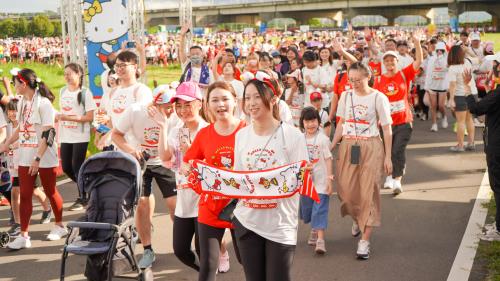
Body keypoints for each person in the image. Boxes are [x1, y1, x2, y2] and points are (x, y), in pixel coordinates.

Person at [232, 74, 308, 281]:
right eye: (247, 98)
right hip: (247, 221)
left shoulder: (293, 136)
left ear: (273, 99)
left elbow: (300, 180)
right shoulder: (241, 136)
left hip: (280, 224)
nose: (251, 103)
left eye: (257, 97)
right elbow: (238, 178)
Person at [183, 81, 245, 281]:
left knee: (248, 261)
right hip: (211, 206)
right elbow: (187, 163)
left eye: (225, 99)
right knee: (208, 265)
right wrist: (190, 171)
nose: (220, 105)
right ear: (207, 105)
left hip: (242, 208)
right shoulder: (204, 134)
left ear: (235, 101)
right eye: (215, 100)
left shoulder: (248, 130)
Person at [112, 86, 179, 269]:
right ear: (154, 104)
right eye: (167, 106)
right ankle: (148, 249)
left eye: (174, 106)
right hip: (141, 161)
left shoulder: (175, 116)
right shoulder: (135, 111)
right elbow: (116, 134)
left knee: (175, 205)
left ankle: (183, 245)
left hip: (165, 161)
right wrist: (131, 150)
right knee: (141, 203)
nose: (172, 110)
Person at [332, 62, 393, 260]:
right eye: (351, 80)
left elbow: (386, 129)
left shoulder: (378, 97)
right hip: (349, 145)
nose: (354, 83)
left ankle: (364, 241)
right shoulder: (346, 96)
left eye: (358, 80)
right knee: (347, 192)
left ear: (369, 77)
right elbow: (341, 123)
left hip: (371, 147)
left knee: (369, 192)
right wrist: (332, 145)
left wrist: (388, 157)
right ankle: (357, 216)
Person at [0, 68, 65, 249]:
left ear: (24, 83)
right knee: (25, 194)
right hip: (25, 155)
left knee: (50, 190)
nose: (14, 86)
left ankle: (59, 225)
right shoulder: (21, 103)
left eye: (15, 83)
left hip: (44, 156)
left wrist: (37, 158)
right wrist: (5, 144)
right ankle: (24, 236)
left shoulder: (44, 104)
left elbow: (48, 134)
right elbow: (21, 128)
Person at [158, 81, 208, 271]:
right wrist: (163, 126)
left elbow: (213, 167)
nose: (183, 110)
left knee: (203, 250)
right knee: (180, 249)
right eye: (178, 106)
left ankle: (208, 271)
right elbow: (166, 157)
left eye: (188, 105)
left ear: (199, 104)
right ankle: (205, 270)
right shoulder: (178, 130)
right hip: (184, 199)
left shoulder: (208, 131)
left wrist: (191, 152)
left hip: (203, 200)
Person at [374, 31, 422, 194]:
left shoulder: (404, 74)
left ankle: (397, 180)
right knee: (387, 152)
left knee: (397, 150)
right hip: (386, 123)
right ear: (383, 63)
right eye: (386, 60)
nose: (389, 63)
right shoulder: (379, 80)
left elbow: (419, 61)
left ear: (397, 61)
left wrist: (417, 43)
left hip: (403, 120)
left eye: (392, 60)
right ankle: (389, 176)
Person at [4, 98, 52, 237]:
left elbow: (28, 140)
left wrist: (11, 145)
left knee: (33, 191)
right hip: (14, 164)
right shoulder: (7, 127)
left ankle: (47, 209)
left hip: (27, 162)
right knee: (15, 192)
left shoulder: (25, 125)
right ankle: (17, 223)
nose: (12, 114)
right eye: (10, 111)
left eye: (15, 111)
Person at [462, 68, 500, 241]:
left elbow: (476, 108)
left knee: (498, 187)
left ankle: (499, 230)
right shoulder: (495, 94)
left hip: (497, 148)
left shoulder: (497, 94)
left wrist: (468, 87)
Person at [58, 63, 97, 211]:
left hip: (80, 135)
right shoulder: (62, 91)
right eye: (65, 74)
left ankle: (83, 197)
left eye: (70, 73)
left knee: (77, 167)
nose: (67, 76)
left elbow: (89, 117)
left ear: (79, 74)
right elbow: (62, 112)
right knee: (67, 167)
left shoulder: (85, 93)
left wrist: (69, 118)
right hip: (65, 135)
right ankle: (89, 187)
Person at [299, 106, 333, 255]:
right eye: (307, 121)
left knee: (319, 209)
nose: (310, 124)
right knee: (307, 209)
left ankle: (320, 240)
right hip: (306, 182)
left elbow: (328, 159)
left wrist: (329, 179)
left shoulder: (323, 139)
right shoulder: (299, 139)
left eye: (313, 121)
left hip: (321, 181)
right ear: (302, 123)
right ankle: (313, 228)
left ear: (318, 122)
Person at [447, 45, 476, 152]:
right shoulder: (468, 62)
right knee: (469, 119)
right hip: (472, 94)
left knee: (461, 121)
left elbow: (453, 85)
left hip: (460, 95)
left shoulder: (453, 68)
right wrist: (468, 50)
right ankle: (471, 143)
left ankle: (460, 145)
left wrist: (451, 99)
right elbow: (479, 59)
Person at [425, 42, 449, 132]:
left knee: (441, 106)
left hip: (442, 85)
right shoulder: (431, 59)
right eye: (438, 50)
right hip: (432, 85)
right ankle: (434, 124)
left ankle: (444, 117)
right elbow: (428, 73)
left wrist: (441, 59)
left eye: (441, 50)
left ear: (444, 51)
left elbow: (446, 68)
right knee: (433, 106)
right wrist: (427, 86)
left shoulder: (446, 59)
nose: (439, 52)